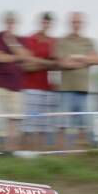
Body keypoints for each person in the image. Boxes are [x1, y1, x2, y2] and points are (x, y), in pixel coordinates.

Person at [0, 11, 30, 152]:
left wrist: (11, 43)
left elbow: (26, 57)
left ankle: (10, 150)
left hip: (16, 86)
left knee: (15, 119)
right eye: (8, 21)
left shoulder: (21, 39)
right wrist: (17, 56)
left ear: (16, 23)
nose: (10, 24)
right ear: (4, 22)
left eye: (12, 21)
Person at [54, 12, 98, 149]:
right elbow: (62, 63)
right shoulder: (62, 41)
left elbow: (97, 59)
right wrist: (85, 61)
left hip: (83, 90)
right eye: (74, 22)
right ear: (70, 23)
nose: (76, 24)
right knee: (63, 124)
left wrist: (75, 58)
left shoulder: (89, 42)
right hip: (66, 89)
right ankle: (62, 153)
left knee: (84, 125)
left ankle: (82, 153)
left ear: (82, 24)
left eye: (79, 22)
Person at [21, 12, 59, 151]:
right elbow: (26, 65)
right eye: (44, 22)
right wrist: (48, 63)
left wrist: (37, 62)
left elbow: (57, 65)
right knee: (29, 125)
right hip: (31, 88)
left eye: (48, 22)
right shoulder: (30, 39)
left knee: (45, 126)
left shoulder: (54, 42)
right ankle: (27, 152)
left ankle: (40, 154)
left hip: (49, 89)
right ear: (39, 22)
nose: (46, 25)